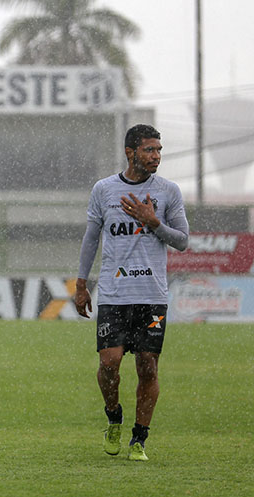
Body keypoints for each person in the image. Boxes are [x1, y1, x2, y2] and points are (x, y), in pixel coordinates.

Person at [74, 124, 189, 461]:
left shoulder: (168, 192)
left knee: (148, 367)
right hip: (113, 292)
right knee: (109, 364)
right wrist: (81, 285)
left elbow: (182, 240)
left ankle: (139, 439)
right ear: (130, 152)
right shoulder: (104, 189)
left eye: (159, 151)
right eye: (150, 150)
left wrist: (152, 221)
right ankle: (114, 416)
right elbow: (91, 239)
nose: (156, 157)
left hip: (152, 294)